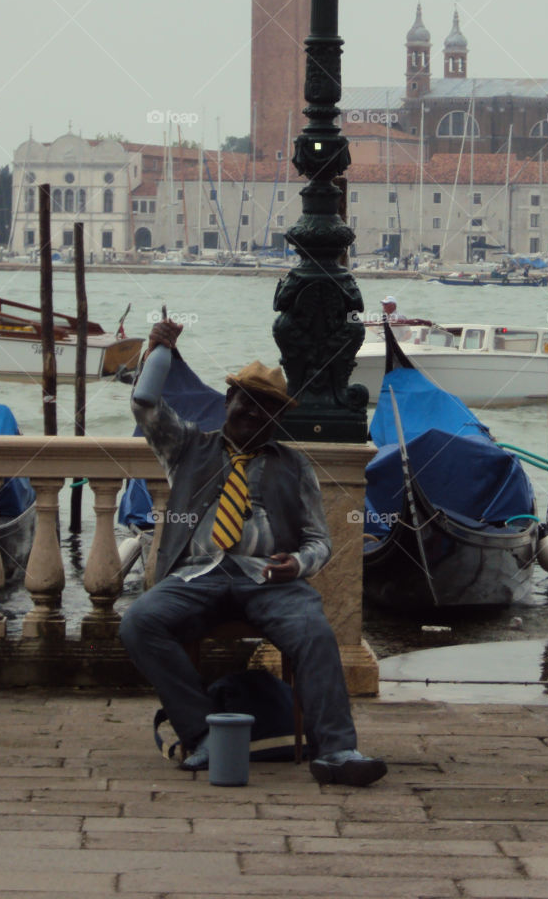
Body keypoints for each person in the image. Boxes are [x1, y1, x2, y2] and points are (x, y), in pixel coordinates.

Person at [119, 317, 387, 788]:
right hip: (197, 576)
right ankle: (202, 733)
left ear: (277, 419)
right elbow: (144, 402)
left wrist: (297, 564)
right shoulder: (187, 447)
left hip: (269, 581)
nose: (253, 415)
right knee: (139, 622)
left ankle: (337, 751)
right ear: (228, 403)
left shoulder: (295, 465)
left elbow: (319, 541)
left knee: (315, 633)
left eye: (266, 409)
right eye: (246, 404)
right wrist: (157, 351)